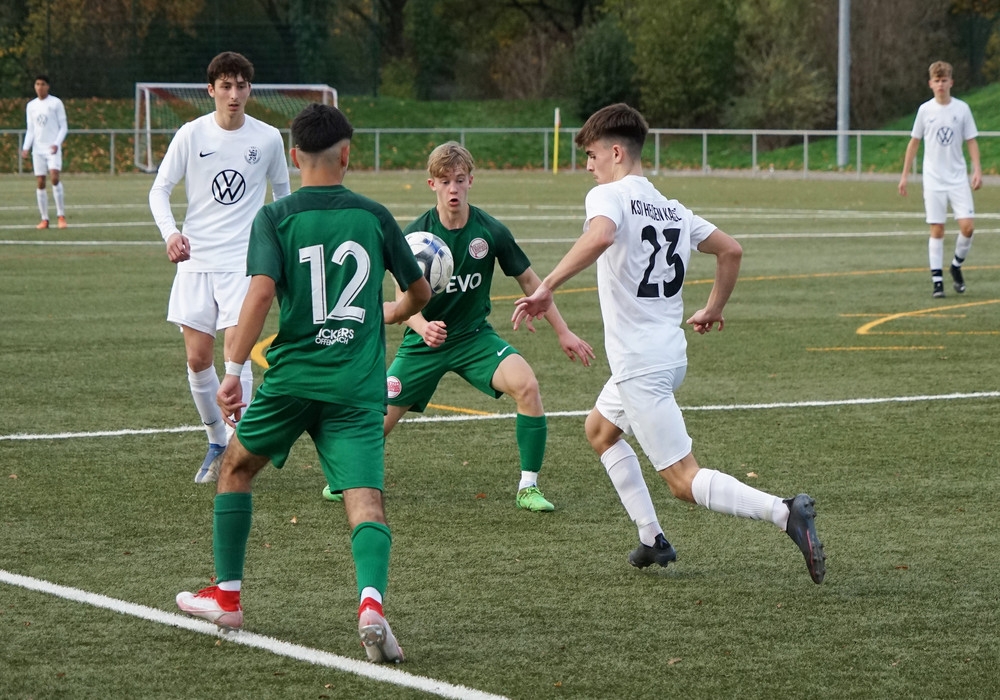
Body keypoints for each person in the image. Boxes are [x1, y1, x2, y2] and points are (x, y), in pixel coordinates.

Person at [512, 103, 826, 584]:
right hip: (667, 355)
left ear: (616, 153)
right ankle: (652, 539)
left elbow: (601, 235)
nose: (589, 166)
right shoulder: (671, 208)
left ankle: (784, 512)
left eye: (592, 155)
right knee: (599, 431)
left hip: (640, 364)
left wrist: (547, 286)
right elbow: (731, 249)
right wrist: (713, 307)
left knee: (683, 480)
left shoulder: (608, 196)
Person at [176, 103, 431, 663]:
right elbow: (420, 292)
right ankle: (371, 605)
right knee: (365, 500)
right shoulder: (374, 216)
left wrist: (234, 372)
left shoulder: (275, 217)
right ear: (347, 155)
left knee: (235, 468)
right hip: (356, 387)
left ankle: (227, 598)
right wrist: (394, 311)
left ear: (294, 156)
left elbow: (261, 293)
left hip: (291, 381)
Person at [345, 141, 594, 513]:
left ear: (470, 181)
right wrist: (422, 326)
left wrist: (563, 330)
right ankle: (349, 479)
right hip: (423, 344)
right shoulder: (414, 236)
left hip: (474, 338)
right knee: (375, 419)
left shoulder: (489, 231)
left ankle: (528, 487)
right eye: (445, 181)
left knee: (527, 385)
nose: (453, 189)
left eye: (460, 180)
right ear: (432, 184)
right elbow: (401, 301)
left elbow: (531, 282)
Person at [149, 51, 291, 483]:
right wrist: (171, 234)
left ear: (249, 89)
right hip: (196, 260)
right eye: (226, 86)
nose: (234, 94)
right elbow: (159, 189)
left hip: (243, 262)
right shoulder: (191, 134)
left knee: (237, 354)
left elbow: (283, 197)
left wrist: (280, 248)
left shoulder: (268, 138)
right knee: (197, 359)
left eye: (241, 86)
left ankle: (235, 447)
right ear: (210, 90)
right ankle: (215, 439)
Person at [899, 60, 982, 299]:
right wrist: (904, 175)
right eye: (937, 81)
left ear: (951, 82)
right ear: (930, 84)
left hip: (957, 178)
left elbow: (971, 140)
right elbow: (914, 142)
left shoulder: (962, 109)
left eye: (944, 80)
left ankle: (956, 266)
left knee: (967, 227)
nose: (941, 85)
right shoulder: (925, 111)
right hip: (933, 179)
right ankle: (937, 282)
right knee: (937, 228)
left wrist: (977, 170)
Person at [21, 75, 68, 230]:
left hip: (52, 148)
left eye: (42, 84)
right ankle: (44, 219)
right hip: (38, 149)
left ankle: (61, 216)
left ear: (48, 86)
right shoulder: (31, 106)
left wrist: (56, 144)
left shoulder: (56, 103)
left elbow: (63, 127)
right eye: (37, 84)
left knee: (54, 177)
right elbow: (31, 129)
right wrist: (26, 147)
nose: (39, 87)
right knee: (40, 181)